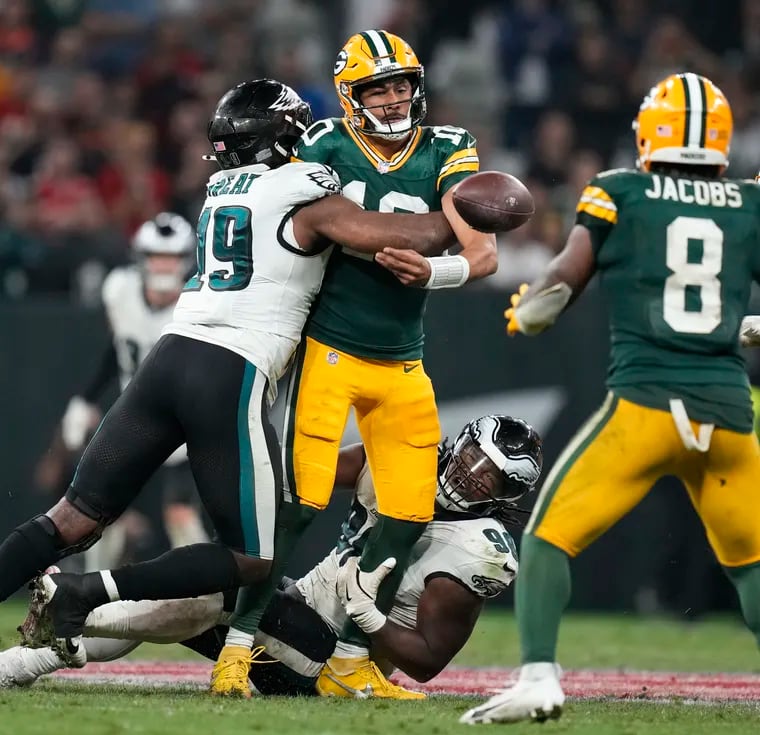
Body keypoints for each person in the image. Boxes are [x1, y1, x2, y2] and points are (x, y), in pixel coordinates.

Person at [0, 79, 455, 672]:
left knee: (70, 519)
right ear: (286, 138)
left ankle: (79, 590)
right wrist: (461, 210)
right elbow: (404, 234)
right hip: (227, 371)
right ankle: (88, 592)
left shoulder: (219, 186)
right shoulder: (304, 188)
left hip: (167, 359)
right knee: (251, 559)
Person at [460, 72, 760, 726]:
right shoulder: (749, 203)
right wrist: (741, 327)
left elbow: (565, 275)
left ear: (649, 134)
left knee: (546, 540)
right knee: (751, 568)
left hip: (648, 405)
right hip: (728, 412)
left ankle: (539, 677)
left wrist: (533, 311)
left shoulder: (620, 191)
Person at [213, 29, 499, 700]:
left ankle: (347, 658)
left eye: (401, 84)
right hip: (331, 351)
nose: (395, 98)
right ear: (351, 96)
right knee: (295, 509)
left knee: (403, 513)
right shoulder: (322, 148)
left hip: (402, 362)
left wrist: (435, 269)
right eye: (379, 88)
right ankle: (235, 649)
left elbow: (482, 255)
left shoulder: (449, 147)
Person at [3, 416, 543, 696]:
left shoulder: (479, 548)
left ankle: (70, 611)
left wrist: (370, 616)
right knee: (194, 588)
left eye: (489, 476)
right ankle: (40, 653)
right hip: (297, 612)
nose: (471, 474)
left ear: (503, 494)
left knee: (224, 586)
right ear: (460, 442)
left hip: (334, 665)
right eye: (473, 456)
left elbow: (427, 662)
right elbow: (308, 477)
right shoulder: (404, 465)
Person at [58, 212, 208, 568]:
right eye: (157, 256)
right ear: (141, 258)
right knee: (99, 509)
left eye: (170, 257)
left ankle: (210, 600)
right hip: (134, 416)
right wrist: (86, 398)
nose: (163, 265)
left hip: (187, 422)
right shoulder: (120, 289)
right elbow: (119, 346)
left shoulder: (198, 301)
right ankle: (90, 594)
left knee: (182, 517)